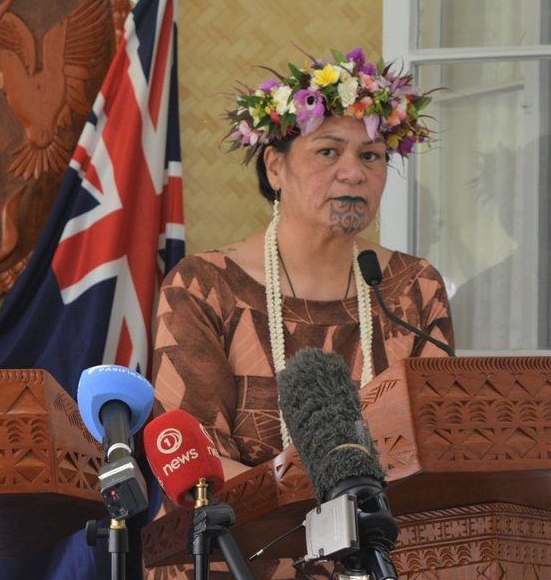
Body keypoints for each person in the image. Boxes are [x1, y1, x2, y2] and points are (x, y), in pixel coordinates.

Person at [149, 47, 455, 579]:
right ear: (275, 166)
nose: (354, 173)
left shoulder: (413, 289)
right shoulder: (202, 286)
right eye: (328, 152)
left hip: (387, 554)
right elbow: (198, 466)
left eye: (373, 156)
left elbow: (439, 444)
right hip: (241, 554)